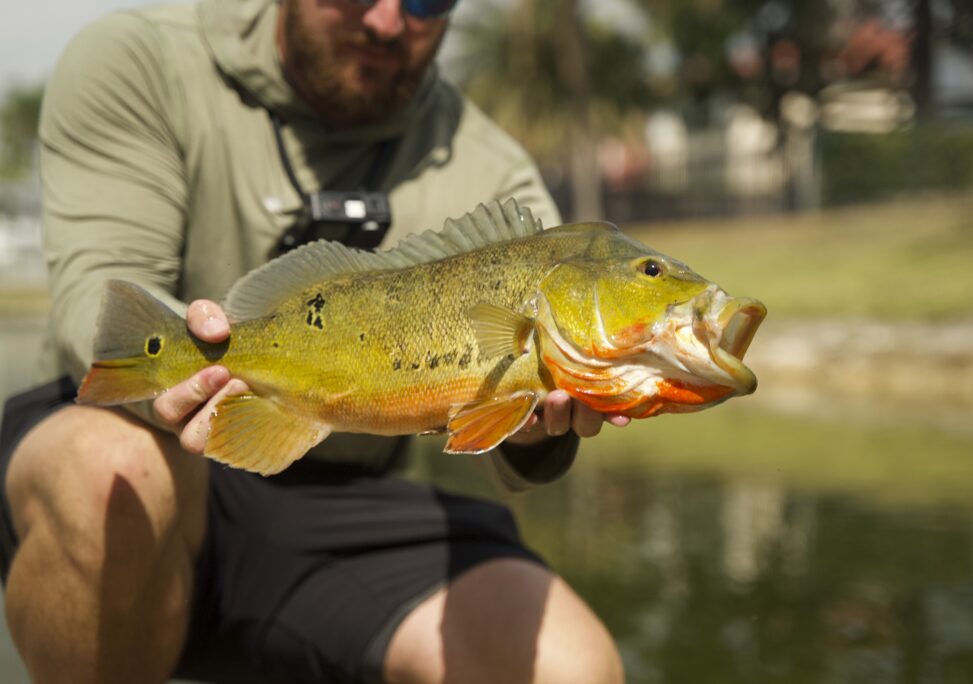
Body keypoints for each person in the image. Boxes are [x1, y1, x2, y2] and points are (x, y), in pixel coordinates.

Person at [0, 0, 628, 682]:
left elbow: (505, 437)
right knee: (108, 472)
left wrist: (538, 431)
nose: (389, 21)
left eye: (425, 1)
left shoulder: (497, 174)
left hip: (343, 490)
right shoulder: (139, 59)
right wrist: (191, 372)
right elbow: (102, 297)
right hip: (150, 457)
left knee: (569, 666)